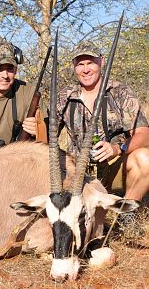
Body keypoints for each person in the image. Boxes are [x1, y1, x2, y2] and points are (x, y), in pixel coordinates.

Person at [56, 41, 149, 236]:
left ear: (101, 61)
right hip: (79, 172)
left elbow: (144, 134)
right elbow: (46, 135)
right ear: (74, 67)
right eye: (80, 64)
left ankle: (126, 215)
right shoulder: (64, 96)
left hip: (114, 166)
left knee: (144, 159)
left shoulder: (120, 92)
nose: (85, 69)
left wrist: (118, 149)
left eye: (90, 62)